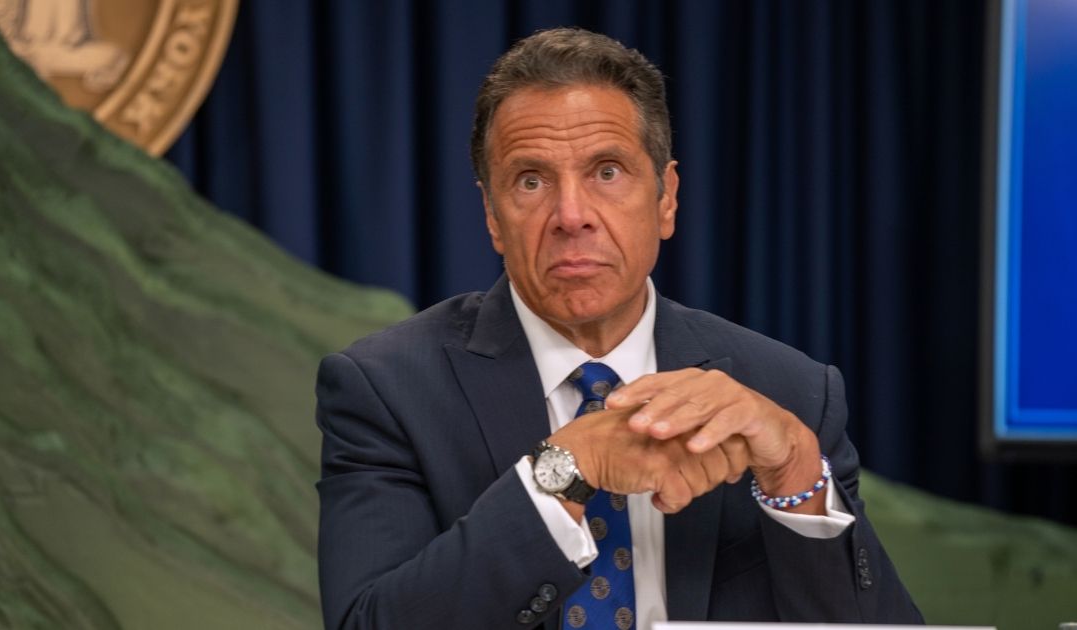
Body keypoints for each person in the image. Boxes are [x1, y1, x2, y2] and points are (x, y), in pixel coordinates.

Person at [316, 27, 921, 630]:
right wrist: (565, 469)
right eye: (531, 180)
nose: (572, 216)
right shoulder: (388, 390)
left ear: (666, 199)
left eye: (607, 172)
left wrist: (795, 476)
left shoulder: (791, 390)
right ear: (492, 217)